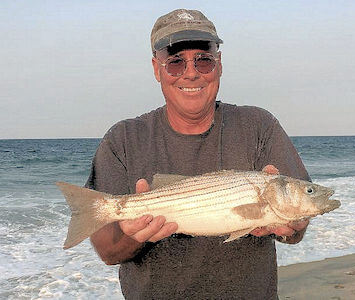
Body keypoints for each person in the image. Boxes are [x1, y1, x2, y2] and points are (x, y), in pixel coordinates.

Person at [85, 8, 310, 299]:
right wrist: (131, 234)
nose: (191, 73)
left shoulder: (259, 126)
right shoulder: (123, 139)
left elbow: (297, 225)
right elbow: (107, 250)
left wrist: (292, 226)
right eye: (175, 63)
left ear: (219, 65)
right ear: (157, 69)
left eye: (204, 60)